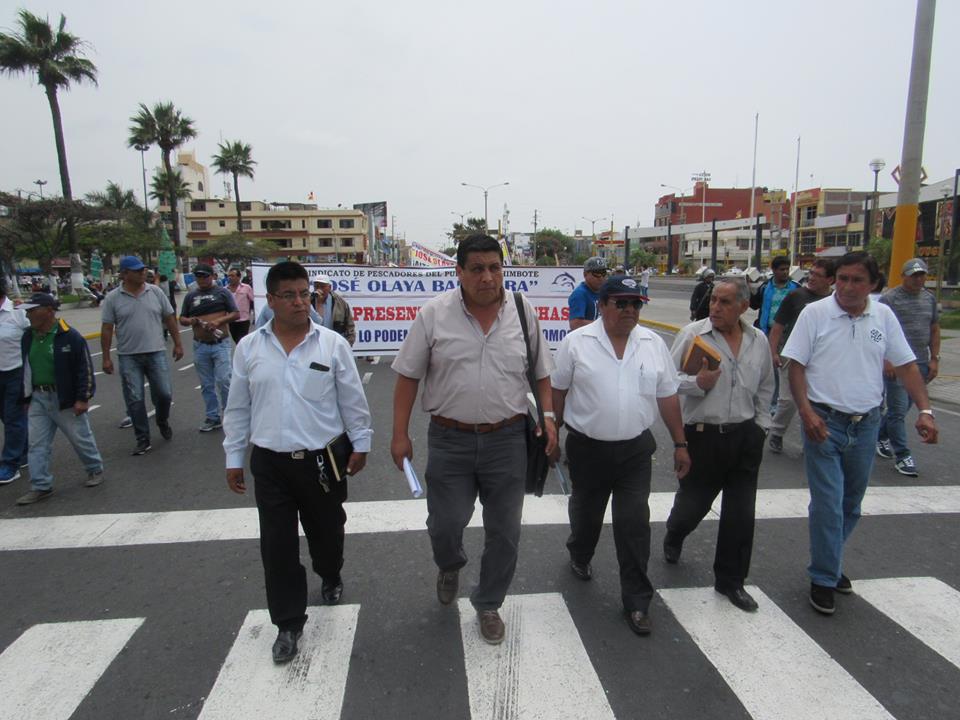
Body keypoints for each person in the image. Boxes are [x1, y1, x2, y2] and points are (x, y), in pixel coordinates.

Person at [390, 234, 557, 646]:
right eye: (478, 269)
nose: (488, 277)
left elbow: (541, 372)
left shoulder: (522, 311)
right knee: (445, 524)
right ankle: (450, 564)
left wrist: (549, 418)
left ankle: (488, 603)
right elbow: (408, 376)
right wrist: (399, 434)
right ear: (459, 272)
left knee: (505, 531)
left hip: (508, 441)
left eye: (495, 268)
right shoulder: (434, 315)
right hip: (450, 439)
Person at [223, 261, 372, 664]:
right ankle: (288, 622)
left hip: (322, 460)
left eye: (304, 294)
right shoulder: (250, 348)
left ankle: (330, 571)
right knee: (277, 546)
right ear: (269, 300)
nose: (299, 302)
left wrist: (361, 444)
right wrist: (233, 457)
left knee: (327, 531)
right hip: (270, 463)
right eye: (288, 295)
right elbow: (237, 408)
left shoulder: (331, 345)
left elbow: (352, 401)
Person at [781, 252, 938, 616]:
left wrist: (926, 411)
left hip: (865, 423)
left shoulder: (883, 316)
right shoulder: (815, 314)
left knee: (851, 503)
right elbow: (796, 366)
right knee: (828, 503)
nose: (848, 287)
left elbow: (906, 366)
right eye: (843, 279)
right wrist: (805, 413)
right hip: (824, 423)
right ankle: (823, 577)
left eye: (857, 280)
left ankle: (830, 561)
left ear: (873, 285)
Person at [551, 275, 689, 635]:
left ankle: (638, 601)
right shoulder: (575, 343)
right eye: (622, 303)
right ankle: (580, 554)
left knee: (633, 525)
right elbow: (558, 390)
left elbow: (668, 395)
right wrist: (554, 431)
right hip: (587, 449)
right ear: (602, 304)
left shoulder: (652, 344)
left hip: (634, 451)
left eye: (636, 304)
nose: (630, 310)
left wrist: (680, 442)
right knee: (587, 516)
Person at [664, 276, 775, 612]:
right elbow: (665, 382)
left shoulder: (758, 340)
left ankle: (731, 582)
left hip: (744, 437)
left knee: (740, 515)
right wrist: (697, 383)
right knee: (691, 508)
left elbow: (768, 386)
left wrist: (760, 427)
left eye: (725, 302)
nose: (715, 307)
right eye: (713, 300)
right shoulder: (693, 335)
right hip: (702, 436)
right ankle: (675, 532)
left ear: (743, 306)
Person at [16, 293, 103, 505]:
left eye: (32, 310)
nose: (28, 315)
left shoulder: (69, 336)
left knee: (79, 437)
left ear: (48, 310)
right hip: (38, 397)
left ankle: (94, 469)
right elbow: (26, 368)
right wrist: (26, 397)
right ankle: (40, 485)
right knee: (37, 444)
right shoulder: (28, 336)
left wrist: (82, 398)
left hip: (64, 398)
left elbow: (85, 369)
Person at [100, 256, 183, 455]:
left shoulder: (155, 292)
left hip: (155, 351)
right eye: (137, 271)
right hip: (129, 355)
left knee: (164, 393)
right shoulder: (113, 298)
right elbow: (106, 328)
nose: (142, 273)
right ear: (125, 274)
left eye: (143, 270)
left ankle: (162, 420)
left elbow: (169, 318)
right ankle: (142, 438)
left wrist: (178, 344)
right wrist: (106, 357)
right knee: (135, 399)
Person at [876, 258, 940, 477]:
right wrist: (887, 360)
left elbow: (934, 329)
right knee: (897, 410)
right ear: (904, 276)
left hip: (920, 362)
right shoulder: (889, 300)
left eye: (922, 275)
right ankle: (903, 455)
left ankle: (879, 434)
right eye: (914, 275)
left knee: (903, 408)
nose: (918, 279)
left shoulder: (929, 299)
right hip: (897, 364)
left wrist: (935, 359)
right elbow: (878, 331)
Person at [767, 258, 835, 453]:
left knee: (818, 402)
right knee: (787, 401)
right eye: (811, 273)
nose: (812, 278)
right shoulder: (795, 296)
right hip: (792, 355)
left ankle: (814, 438)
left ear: (830, 279)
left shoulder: (835, 301)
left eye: (818, 275)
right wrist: (773, 352)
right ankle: (777, 433)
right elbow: (778, 326)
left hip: (821, 358)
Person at [180, 264, 238, 432]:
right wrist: (190, 321)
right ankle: (212, 417)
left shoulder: (222, 293)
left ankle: (230, 415)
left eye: (205, 276)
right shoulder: (191, 296)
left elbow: (235, 314)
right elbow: (182, 318)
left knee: (224, 380)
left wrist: (218, 322)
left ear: (212, 276)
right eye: (199, 277)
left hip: (220, 344)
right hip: (200, 345)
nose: (202, 280)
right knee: (206, 384)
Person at [0, 276, 29, 485]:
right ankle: (24, 451)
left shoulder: (18, 313)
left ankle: (10, 464)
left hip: (15, 372)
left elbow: (37, 336)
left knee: (13, 418)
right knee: (6, 416)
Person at [311, 274, 356, 346]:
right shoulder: (309, 302)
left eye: (322, 286)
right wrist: (319, 303)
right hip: (314, 345)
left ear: (329, 287)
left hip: (334, 344)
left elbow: (349, 326)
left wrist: (347, 344)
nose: (319, 289)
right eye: (316, 286)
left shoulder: (340, 303)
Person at [568, 257, 607, 330]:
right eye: (596, 273)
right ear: (585, 274)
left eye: (603, 273)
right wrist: (605, 324)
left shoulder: (604, 292)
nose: (601, 277)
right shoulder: (580, 294)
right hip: (583, 339)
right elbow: (575, 324)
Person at [226, 268, 255, 344]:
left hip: (243, 320)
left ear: (239, 277)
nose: (230, 278)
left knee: (241, 341)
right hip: (231, 320)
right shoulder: (225, 290)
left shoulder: (246, 288)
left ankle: (244, 355)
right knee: (236, 340)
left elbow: (253, 300)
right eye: (228, 276)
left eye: (232, 276)